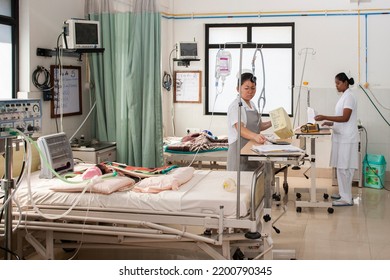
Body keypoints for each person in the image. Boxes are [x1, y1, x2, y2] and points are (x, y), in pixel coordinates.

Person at [314, 72, 358, 206]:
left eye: (338, 83)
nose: (336, 86)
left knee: (344, 168)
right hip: (341, 136)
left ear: (345, 83)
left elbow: (345, 118)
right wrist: (330, 123)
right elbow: (340, 118)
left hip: (347, 138)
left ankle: (346, 197)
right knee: (342, 167)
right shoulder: (344, 96)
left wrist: (325, 117)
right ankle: (343, 193)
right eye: (335, 84)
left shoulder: (349, 97)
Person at [227, 72, 272, 171]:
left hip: (252, 149)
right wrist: (255, 136)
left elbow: (258, 126)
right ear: (238, 89)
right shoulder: (236, 106)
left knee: (253, 180)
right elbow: (240, 128)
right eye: (246, 88)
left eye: (253, 88)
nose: (250, 91)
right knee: (239, 183)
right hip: (239, 152)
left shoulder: (252, 104)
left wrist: (273, 122)